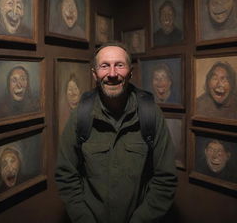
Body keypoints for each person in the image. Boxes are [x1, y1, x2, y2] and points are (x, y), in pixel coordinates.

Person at [55, 42, 177, 223]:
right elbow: (66, 175)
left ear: (130, 72)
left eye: (119, 65)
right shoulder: (81, 115)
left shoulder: (151, 114)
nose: (112, 74)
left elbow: (165, 179)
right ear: (95, 74)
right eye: (105, 66)